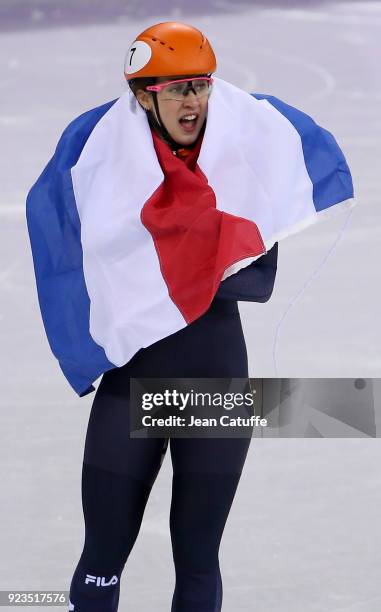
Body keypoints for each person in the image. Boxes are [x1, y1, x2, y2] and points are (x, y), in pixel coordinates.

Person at [25, 21, 353, 612]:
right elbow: (65, 247)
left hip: (216, 388)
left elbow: (254, 281)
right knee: (101, 564)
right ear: (144, 96)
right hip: (132, 391)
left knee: (198, 563)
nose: (193, 102)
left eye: (200, 86)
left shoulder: (241, 167)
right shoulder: (106, 175)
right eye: (176, 89)